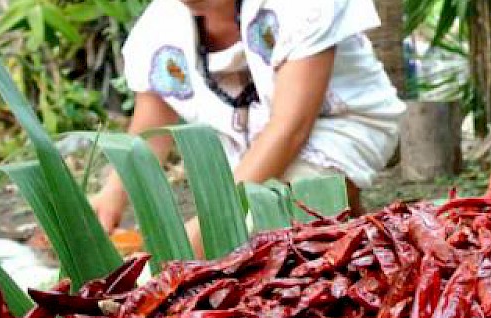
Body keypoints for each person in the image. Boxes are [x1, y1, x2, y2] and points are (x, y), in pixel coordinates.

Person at [89, 0, 405, 258]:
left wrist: (210, 226)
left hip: (338, 124)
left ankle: (346, 237)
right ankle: (364, 245)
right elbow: (151, 129)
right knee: (284, 233)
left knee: (282, 217)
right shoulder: (160, 27)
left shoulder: (301, 6)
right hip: (250, 147)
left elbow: (291, 129)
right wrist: (111, 196)